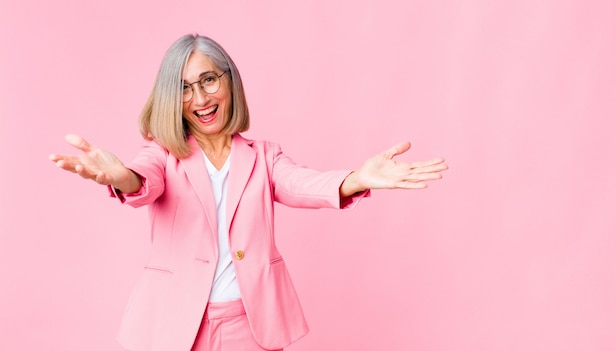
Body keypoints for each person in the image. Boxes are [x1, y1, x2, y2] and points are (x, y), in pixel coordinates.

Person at [49, 34, 448, 351]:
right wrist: (122, 177)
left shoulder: (263, 156)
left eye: (208, 80)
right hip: (175, 324)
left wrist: (357, 178)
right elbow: (143, 180)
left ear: (229, 80)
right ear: (173, 97)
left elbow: (300, 182)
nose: (201, 99)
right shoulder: (163, 153)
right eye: (184, 88)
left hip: (250, 325)